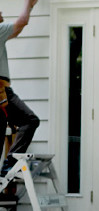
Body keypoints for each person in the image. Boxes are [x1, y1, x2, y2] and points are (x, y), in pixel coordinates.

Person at [0, 0, 40, 179]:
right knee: (30, 120)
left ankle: (8, 166)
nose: (2, 14)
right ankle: (10, 164)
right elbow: (21, 22)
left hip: (2, 93)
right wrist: (29, 3)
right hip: (1, 91)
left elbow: (16, 30)